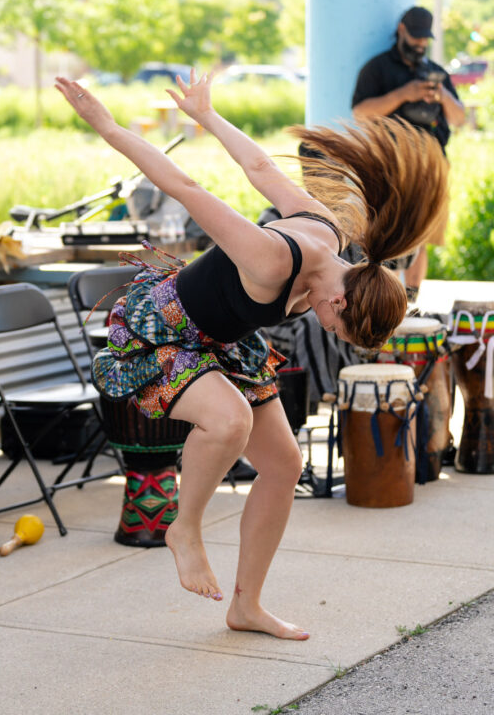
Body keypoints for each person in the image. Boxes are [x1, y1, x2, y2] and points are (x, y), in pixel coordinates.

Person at [55, 69, 447, 640]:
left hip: (220, 342)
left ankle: (246, 606)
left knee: (284, 465)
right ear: (340, 296)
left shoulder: (333, 237)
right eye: (336, 324)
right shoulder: (271, 258)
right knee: (229, 420)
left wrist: (208, 116)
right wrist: (109, 127)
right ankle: (183, 527)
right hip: (162, 330)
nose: (327, 326)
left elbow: (261, 167)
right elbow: (185, 188)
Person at [351, 5, 465, 300]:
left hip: (432, 166)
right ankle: (383, 300)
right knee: (386, 236)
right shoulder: (377, 68)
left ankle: (410, 302)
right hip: (391, 165)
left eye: (424, 39)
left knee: (421, 238)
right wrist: (404, 94)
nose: (420, 44)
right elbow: (360, 113)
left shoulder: (435, 72)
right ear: (401, 30)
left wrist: (442, 95)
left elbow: (459, 118)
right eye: (415, 37)